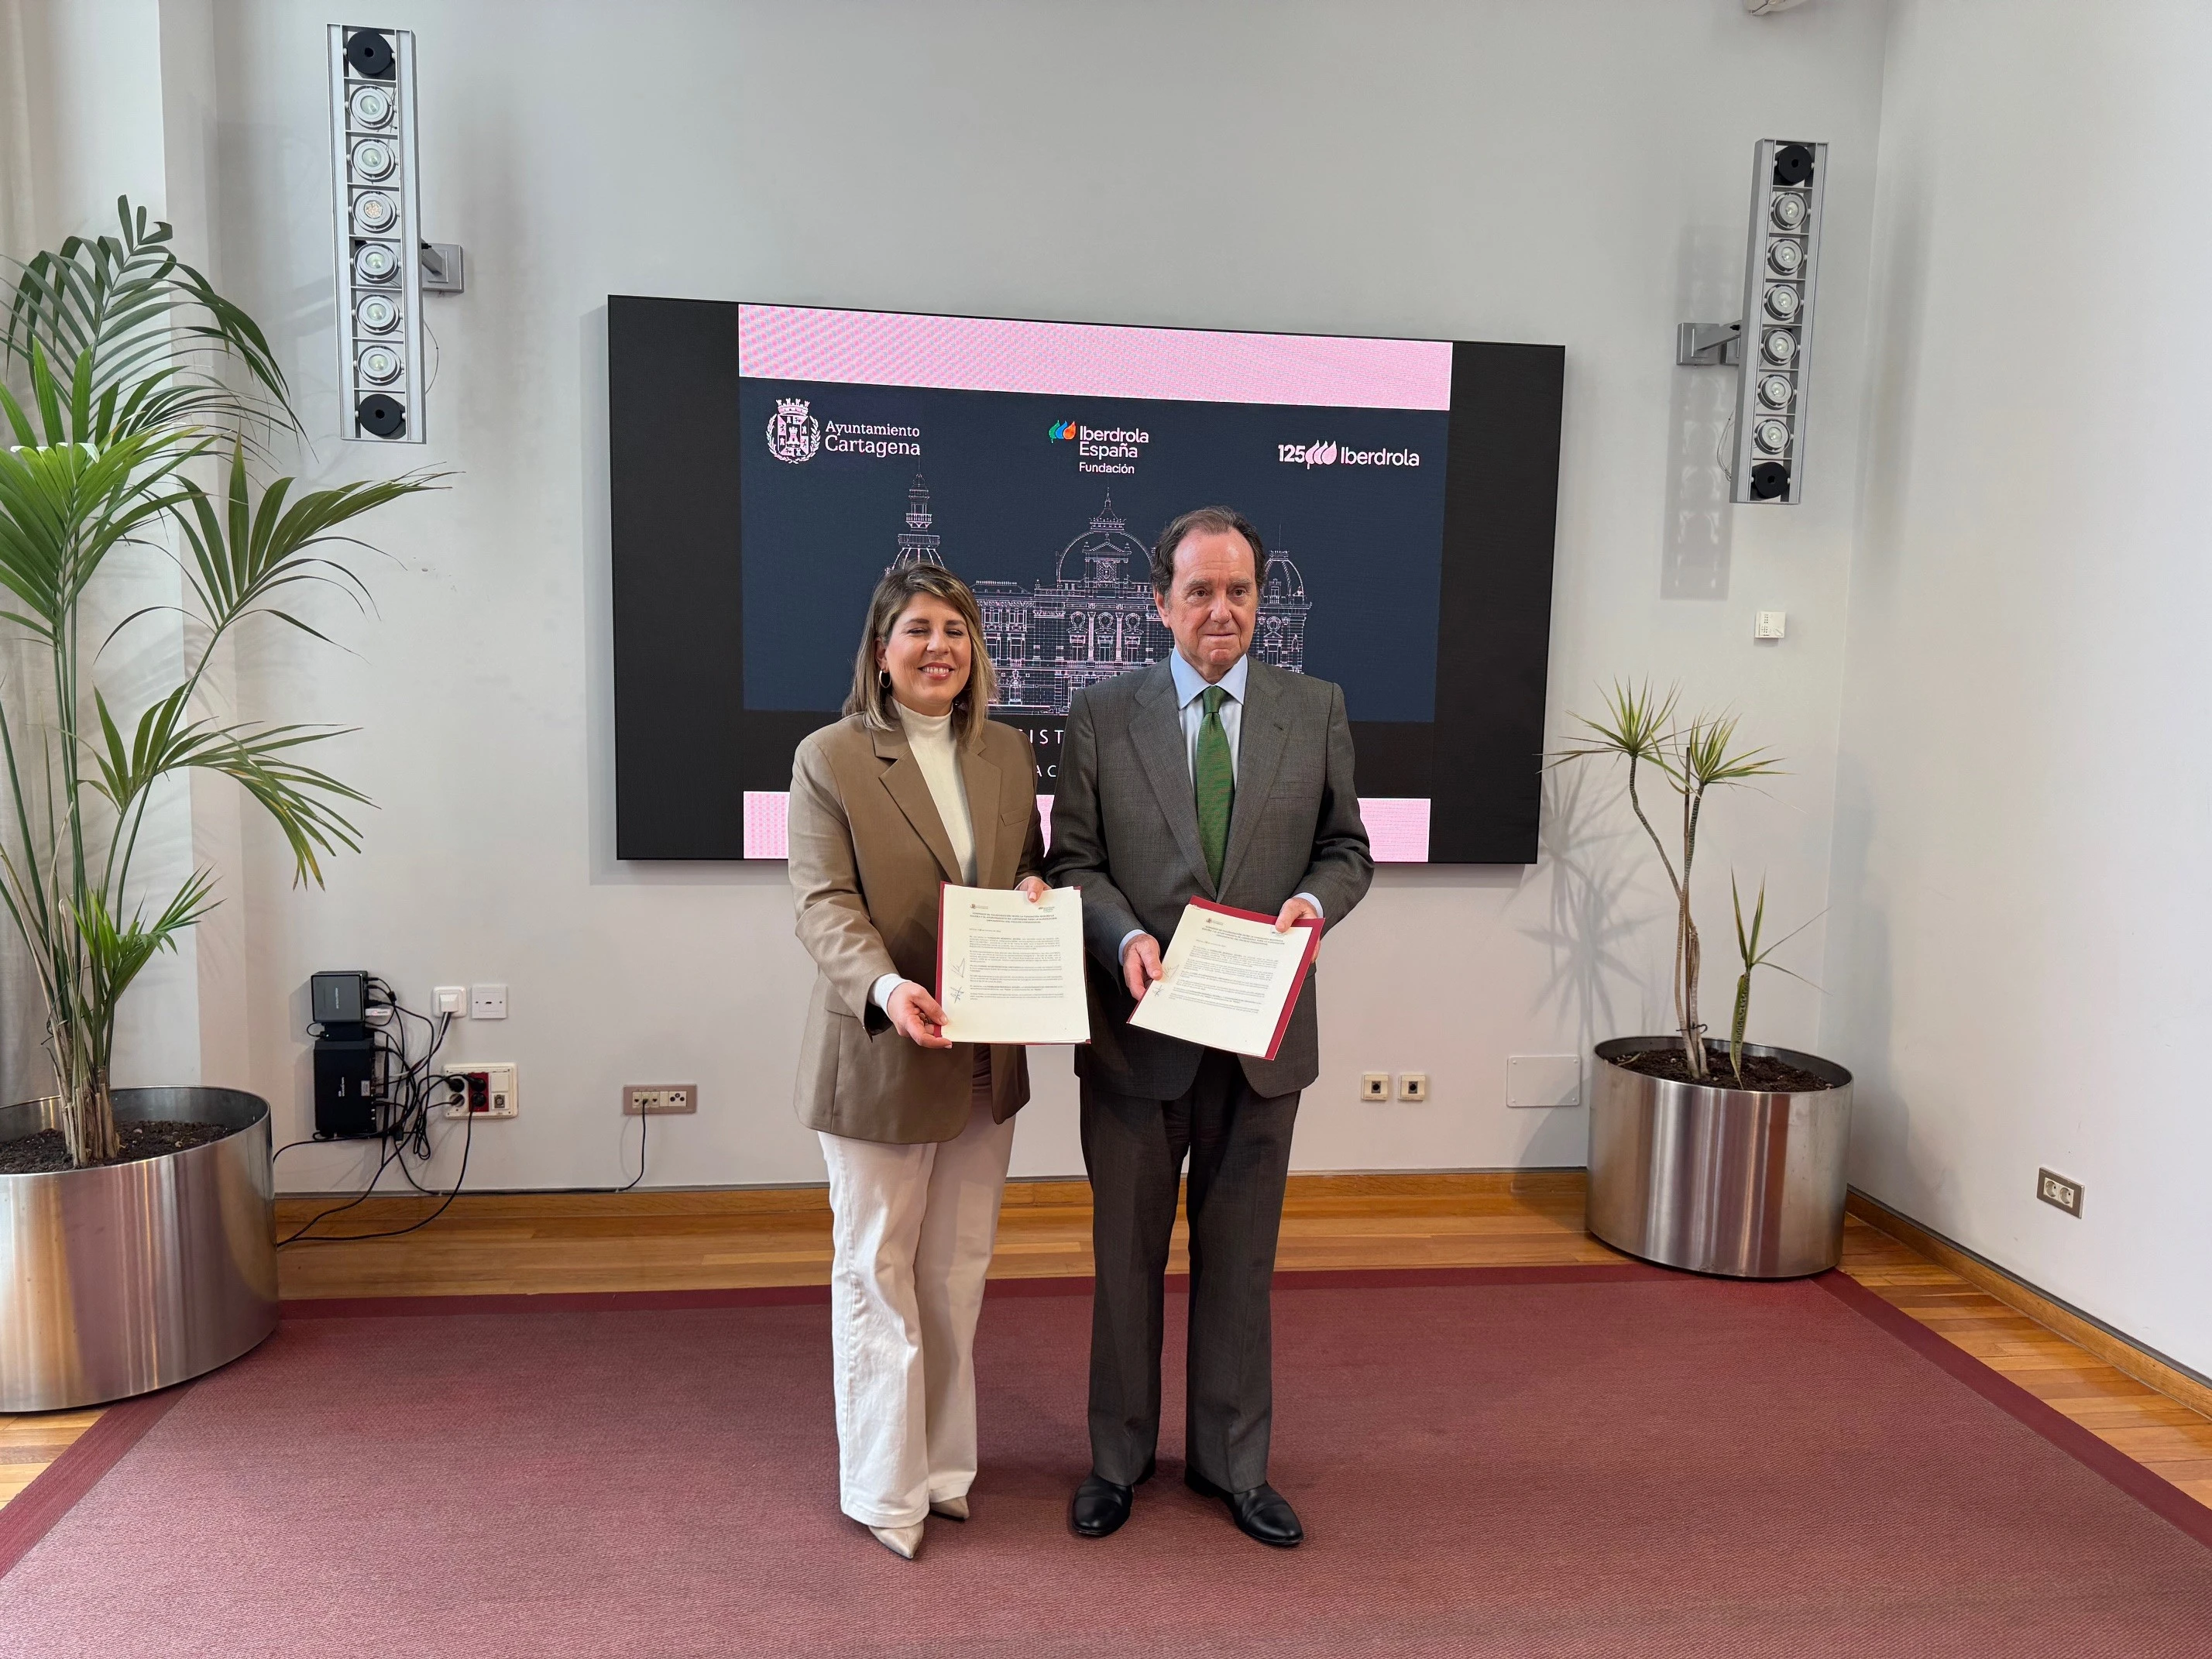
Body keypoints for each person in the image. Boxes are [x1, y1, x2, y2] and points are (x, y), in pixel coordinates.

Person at [1047, 506, 1372, 1547]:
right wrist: (1121, 941)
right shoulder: (1101, 712)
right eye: (1200, 591)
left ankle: (1235, 1465)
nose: (1221, 609)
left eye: (1239, 591)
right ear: (1160, 603)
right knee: (1124, 1261)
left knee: (1242, 1264)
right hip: (1137, 1037)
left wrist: (1314, 907)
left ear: (1260, 601)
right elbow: (1075, 865)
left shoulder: (1314, 708)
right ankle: (1117, 1460)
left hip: (1261, 1044)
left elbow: (1347, 847)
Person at [786, 562, 1049, 1561]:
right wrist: (888, 991)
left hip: (987, 1056)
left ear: (976, 648)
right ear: (880, 652)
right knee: (876, 1271)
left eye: (957, 629)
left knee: (956, 1273)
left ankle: (943, 1471)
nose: (939, 646)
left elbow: (1022, 870)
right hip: (884, 1049)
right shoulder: (829, 757)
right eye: (916, 631)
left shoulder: (1009, 754)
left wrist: (1029, 895)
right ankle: (882, 1487)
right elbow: (822, 904)